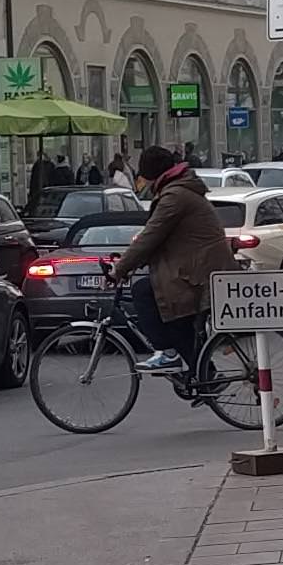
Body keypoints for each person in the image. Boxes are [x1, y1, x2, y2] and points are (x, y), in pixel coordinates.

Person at [108, 140, 230, 390]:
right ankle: (208, 378)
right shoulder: (179, 190)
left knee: (145, 293)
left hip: (198, 274)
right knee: (178, 323)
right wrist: (128, 260)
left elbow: (150, 236)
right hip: (199, 270)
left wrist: (120, 269)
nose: (144, 184)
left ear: (153, 175)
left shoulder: (175, 196)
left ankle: (168, 354)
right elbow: (155, 239)